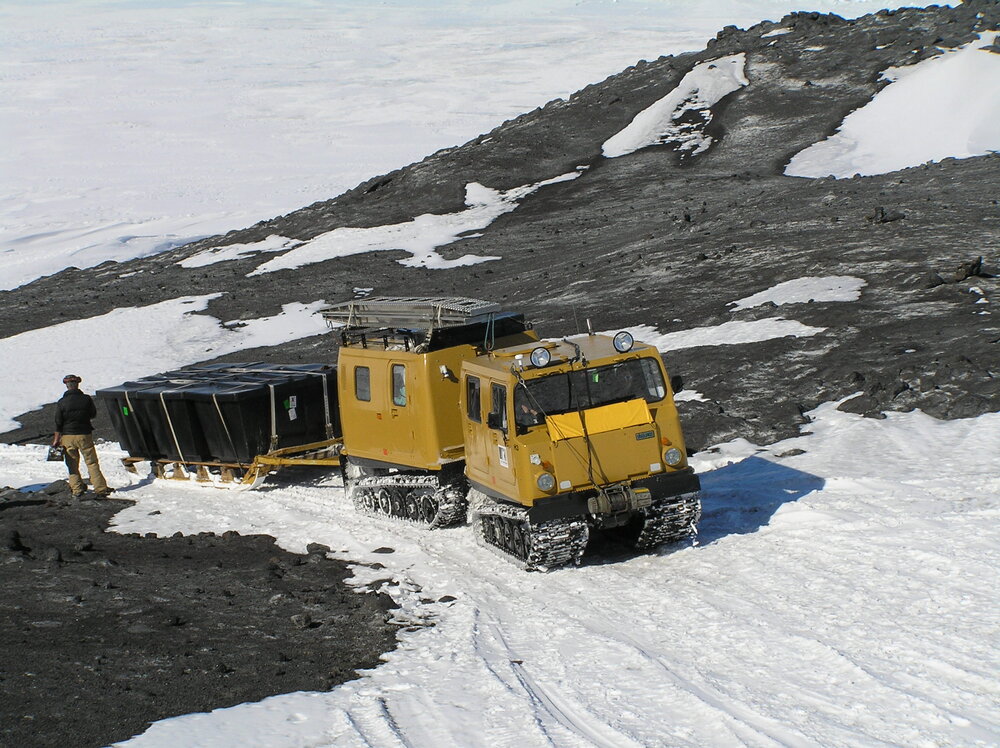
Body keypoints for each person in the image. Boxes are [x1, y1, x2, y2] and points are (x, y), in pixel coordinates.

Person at [52, 374, 113, 498]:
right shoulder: (86, 399)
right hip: (84, 434)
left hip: (68, 436)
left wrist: (56, 440)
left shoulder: (61, 402)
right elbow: (93, 414)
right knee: (91, 462)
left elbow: (58, 422)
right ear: (78, 385)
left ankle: (77, 489)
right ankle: (100, 488)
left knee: (72, 464)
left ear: (67, 386)